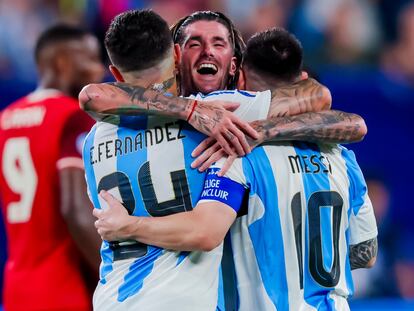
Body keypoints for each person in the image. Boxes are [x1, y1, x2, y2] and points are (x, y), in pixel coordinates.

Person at [82, 9, 367, 311]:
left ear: (115, 73)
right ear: (177, 55)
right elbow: (325, 102)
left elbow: (91, 96)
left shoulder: (93, 140)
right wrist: (199, 113)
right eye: (195, 44)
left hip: (111, 298)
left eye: (219, 43)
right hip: (180, 301)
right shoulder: (223, 111)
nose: (207, 51)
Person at [0, 24, 105, 311]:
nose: (99, 71)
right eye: (91, 59)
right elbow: (74, 210)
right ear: (63, 62)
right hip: (65, 289)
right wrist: (114, 278)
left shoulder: (6, 119)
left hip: (16, 288)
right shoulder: (72, 117)